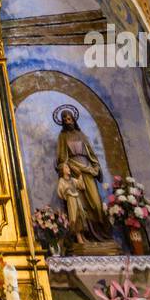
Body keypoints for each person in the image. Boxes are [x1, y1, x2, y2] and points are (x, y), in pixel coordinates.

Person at [53, 104, 113, 243]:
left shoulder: (81, 135)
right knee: (80, 206)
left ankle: (101, 235)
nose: (68, 121)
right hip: (74, 172)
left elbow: (91, 154)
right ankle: (84, 235)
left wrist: (95, 166)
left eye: (70, 118)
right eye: (65, 119)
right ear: (63, 122)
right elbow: (61, 158)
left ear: (74, 119)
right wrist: (67, 168)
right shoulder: (62, 137)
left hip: (87, 171)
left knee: (96, 204)